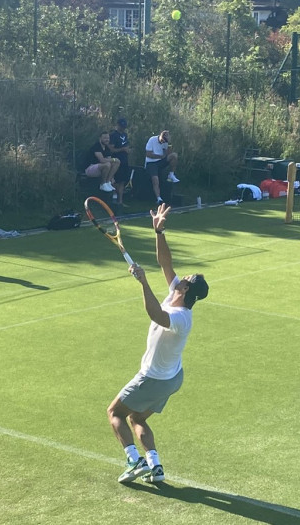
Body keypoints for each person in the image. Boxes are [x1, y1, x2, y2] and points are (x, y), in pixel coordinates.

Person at [107, 203, 208, 484]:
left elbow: (155, 314)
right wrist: (159, 231)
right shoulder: (178, 295)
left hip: (154, 378)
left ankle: (134, 461)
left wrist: (142, 281)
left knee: (115, 413)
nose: (180, 277)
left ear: (186, 289)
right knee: (137, 418)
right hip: (173, 378)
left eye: (185, 278)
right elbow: (166, 262)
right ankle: (156, 466)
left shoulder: (180, 317)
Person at [144, 130, 179, 205]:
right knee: (155, 179)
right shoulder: (152, 140)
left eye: (165, 141)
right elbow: (148, 154)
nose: (163, 143)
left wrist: (169, 143)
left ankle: (171, 174)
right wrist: (160, 156)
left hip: (160, 161)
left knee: (174, 155)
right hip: (151, 163)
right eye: (162, 141)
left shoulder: (166, 143)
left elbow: (168, 154)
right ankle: (158, 198)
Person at [109, 118, 133, 204]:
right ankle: (113, 198)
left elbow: (127, 146)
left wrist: (128, 150)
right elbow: (111, 149)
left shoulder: (125, 135)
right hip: (116, 160)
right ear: (117, 125)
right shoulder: (113, 135)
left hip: (124, 160)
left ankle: (120, 201)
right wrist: (122, 149)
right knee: (115, 180)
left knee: (122, 181)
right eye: (121, 126)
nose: (122, 128)